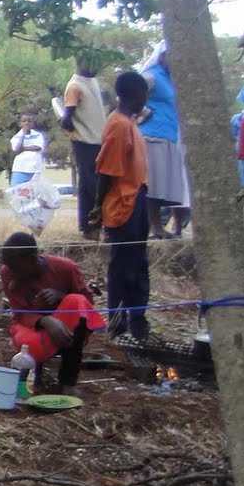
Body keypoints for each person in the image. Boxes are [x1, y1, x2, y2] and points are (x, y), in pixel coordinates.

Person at [0, 232, 104, 392]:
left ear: (32, 258)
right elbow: (19, 314)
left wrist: (61, 297)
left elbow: (86, 304)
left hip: (65, 326)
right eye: (9, 267)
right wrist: (45, 321)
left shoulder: (66, 268)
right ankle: (35, 376)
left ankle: (67, 381)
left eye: (15, 267)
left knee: (76, 301)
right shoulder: (8, 271)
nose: (11, 271)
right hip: (30, 326)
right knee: (29, 347)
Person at [91, 71, 152, 341]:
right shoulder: (118, 125)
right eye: (142, 96)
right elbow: (107, 171)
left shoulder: (130, 123)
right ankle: (118, 321)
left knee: (138, 264)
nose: (144, 101)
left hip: (136, 198)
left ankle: (137, 318)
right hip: (121, 204)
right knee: (122, 266)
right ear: (131, 96)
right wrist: (97, 205)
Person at [136, 45, 191, 238]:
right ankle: (156, 227)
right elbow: (127, 94)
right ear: (162, 56)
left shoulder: (171, 78)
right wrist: (144, 113)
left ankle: (176, 227)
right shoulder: (151, 76)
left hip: (172, 135)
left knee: (172, 184)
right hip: (153, 135)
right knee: (154, 184)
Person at [61, 59, 107, 238]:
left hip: (97, 140)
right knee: (91, 184)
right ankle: (94, 225)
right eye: (90, 63)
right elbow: (67, 118)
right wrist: (72, 130)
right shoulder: (74, 86)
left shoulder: (91, 82)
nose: (95, 66)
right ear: (81, 63)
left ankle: (88, 226)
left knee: (88, 184)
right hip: (85, 141)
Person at [9, 113, 47, 186]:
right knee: (17, 192)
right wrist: (23, 134)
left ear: (32, 123)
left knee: (34, 194)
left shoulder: (38, 135)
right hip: (20, 169)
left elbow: (38, 147)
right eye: (24, 121)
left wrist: (23, 148)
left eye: (29, 121)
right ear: (20, 123)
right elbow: (17, 150)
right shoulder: (16, 137)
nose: (26, 123)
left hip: (35, 169)